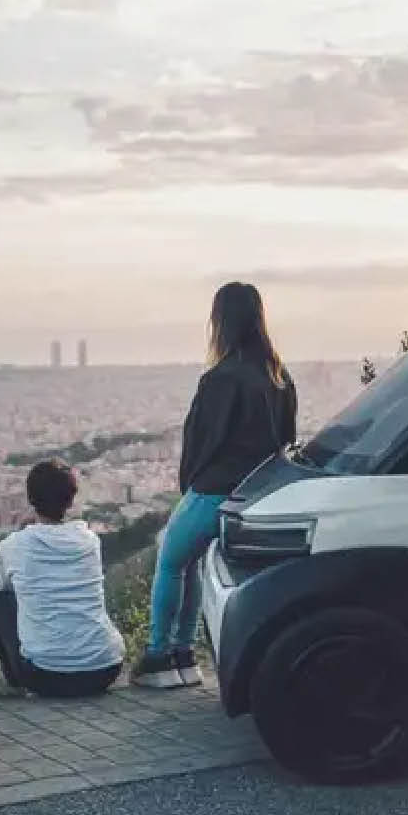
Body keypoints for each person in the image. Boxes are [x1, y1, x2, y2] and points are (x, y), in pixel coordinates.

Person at [133, 281, 298, 689]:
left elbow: (202, 439)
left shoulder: (222, 378)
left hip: (215, 488)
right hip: (256, 491)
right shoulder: (278, 376)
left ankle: (158, 657)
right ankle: (185, 657)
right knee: (190, 562)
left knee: (171, 560)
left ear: (220, 321)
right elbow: (288, 437)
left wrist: (189, 482)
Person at [0, 459, 125, 697]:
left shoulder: (14, 545)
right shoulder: (89, 541)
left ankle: (17, 684)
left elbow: (1, 586)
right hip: (106, 668)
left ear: (31, 500)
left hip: (46, 676)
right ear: (71, 500)